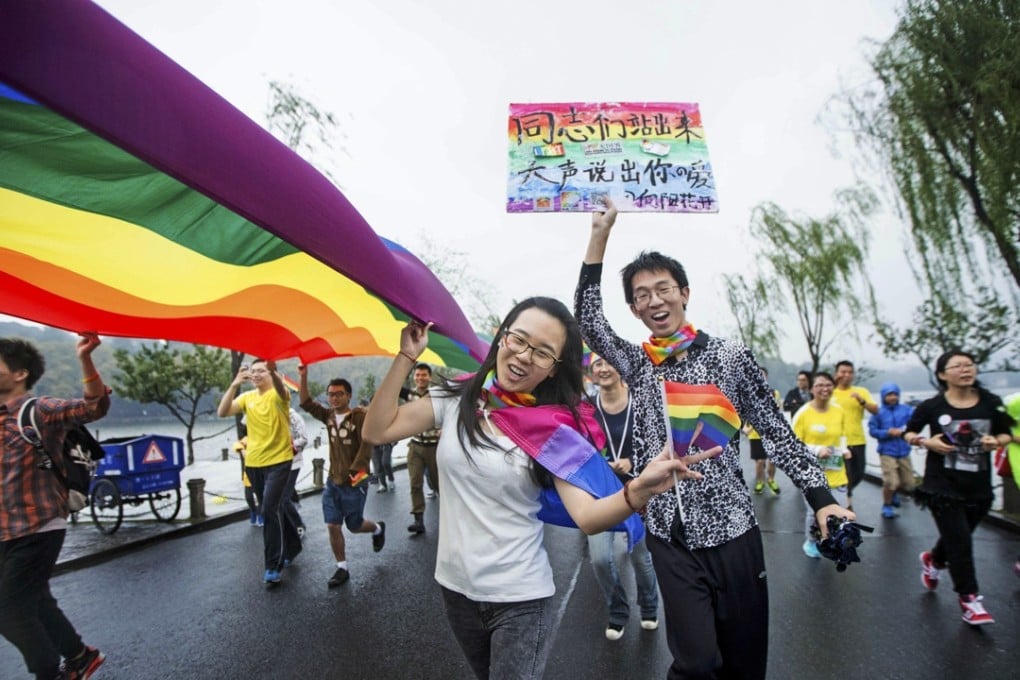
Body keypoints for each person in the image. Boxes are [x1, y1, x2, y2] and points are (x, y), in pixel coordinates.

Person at [575, 198, 851, 680]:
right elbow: (589, 320)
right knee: (696, 663)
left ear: (684, 293)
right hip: (668, 535)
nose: (654, 300)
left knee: (744, 663)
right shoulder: (638, 362)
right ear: (635, 309)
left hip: (733, 533)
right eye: (642, 295)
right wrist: (599, 235)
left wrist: (822, 499)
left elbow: (777, 433)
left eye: (663, 289)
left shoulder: (729, 356)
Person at [363, 299, 706, 680]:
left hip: (520, 598)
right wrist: (406, 356)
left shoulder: (551, 429)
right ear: (501, 337)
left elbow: (588, 518)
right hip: (454, 589)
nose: (524, 357)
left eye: (543, 353)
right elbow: (376, 431)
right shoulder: (456, 399)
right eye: (519, 340)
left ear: (553, 370)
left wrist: (638, 492)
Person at [0, 334, 109, 680]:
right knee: (36, 600)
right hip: (4, 530)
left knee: (9, 609)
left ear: (19, 374)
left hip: (39, 526)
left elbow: (94, 407)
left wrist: (85, 359)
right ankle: (79, 655)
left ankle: (50, 673)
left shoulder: (39, 410)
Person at [903, 350, 1012, 626]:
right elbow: (909, 433)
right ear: (942, 374)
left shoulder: (991, 403)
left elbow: (1006, 432)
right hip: (941, 485)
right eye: (958, 366)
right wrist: (928, 443)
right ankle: (970, 599)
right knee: (961, 542)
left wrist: (995, 441)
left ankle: (934, 559)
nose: (966, 369)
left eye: (970, 365)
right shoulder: (932, 406)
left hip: (978, 485)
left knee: (956, 537)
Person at [587, 354, 659, 641]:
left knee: (642, 559)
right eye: (596, 365)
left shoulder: (640, 403)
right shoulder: (586, 409)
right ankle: (617, 610)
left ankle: (650, 606)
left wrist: (633, 461)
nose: (603, 369)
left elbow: (659, 442)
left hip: (639, 491)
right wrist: (600, 465)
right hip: (600, 494)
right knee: (601, 560)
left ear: (620, 367)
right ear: (591, 372)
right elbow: (579, 449)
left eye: (607, 362)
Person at [217, 359, 302, 587]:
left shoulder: (277, 395)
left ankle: (272, 566)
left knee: (268, 509)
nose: (255, 375)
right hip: (254, 463)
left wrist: (274, 374)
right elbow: (222, 411)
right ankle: (293, 545)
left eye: (261, 371)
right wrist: (235, 384)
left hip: (280, 461)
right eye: (252, 371)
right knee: (274, 507)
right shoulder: (247, 398)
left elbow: (283, 393)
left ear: (271, 373)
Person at [297, 369, 385, 588]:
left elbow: (367, 444)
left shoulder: (359, 416)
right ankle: (342, 567)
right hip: (332, 480)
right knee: (333, 525)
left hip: (356, 480)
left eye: (339, 394)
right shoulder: (327, 416)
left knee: (354, 525)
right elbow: (306, 402)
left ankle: (377, 529)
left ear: (348, 396)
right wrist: (304, 375)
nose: (334, 398)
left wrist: (355, 473)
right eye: (330, 394)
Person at [790, 372, 851, 558]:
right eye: (819, 385)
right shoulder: (803, 414)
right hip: (812, 474)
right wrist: (817, 450)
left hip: (837, 471)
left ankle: (832, 540)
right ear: (811, 389)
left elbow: (841, 436)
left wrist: (845, 448)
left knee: (841, 512)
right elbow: (792, 445)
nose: (825, 388)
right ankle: (812, 540)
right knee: (816, 513)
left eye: (828, 385)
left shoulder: (839, 411)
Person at [831, 360, 877, 510]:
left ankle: (845, 497)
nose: (846, 375)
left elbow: (875, 410)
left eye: (850, 372)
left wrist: (861, 401)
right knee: (844, 474)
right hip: (837, 442)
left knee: (859, 474)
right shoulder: (830, 392)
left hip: (857, 440)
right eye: (843, 372)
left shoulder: (861, 391)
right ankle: (846, 503)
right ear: (836, 374)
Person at [868, 383, 915, 519]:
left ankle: (893, 494)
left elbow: (916, 422)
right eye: (889, 395)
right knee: (891, 482)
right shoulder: (878, 412)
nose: (892, 397)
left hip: (904, 450)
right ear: (883, 396)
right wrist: (887, 432)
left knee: (909, 484)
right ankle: (886, 505)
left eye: (895, 394)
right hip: (887, 450)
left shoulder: (906, 410)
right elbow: (873, 431)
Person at [403, 363, 440, 534]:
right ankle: (418, 521)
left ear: (430, 377)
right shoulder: (410, 394)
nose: (420, 378)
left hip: (434, 446)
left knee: (438, 483)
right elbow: (394, 387)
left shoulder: (438, 395)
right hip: (415, 445)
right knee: (415, 483)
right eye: (417, 375)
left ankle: (451, 516)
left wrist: (444, 428)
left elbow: (448, 413)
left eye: (423, 375)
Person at [746, 366, 782, 495]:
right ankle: (760, 481)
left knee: (772, 460)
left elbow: (778, 411)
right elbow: (745, 413)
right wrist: (746, 428)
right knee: (760, 461)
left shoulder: (774, 393)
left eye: (763, 375)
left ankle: (771, 480)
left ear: (766, 377)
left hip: (771, 432)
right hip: (755, 434)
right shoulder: (748, 392)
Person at [283, 407, 308, 538]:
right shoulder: (271, 414)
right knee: (280, 497)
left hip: (293, 463)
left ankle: (299, 525)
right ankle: (287, 523)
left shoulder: (294, 417)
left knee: (284, 498)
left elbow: (304, 439)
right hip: (275, 463)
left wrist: (289, 445)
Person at [233, 436, 263, 526]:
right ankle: (253, 512)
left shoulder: (261, 438)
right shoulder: (247, 438)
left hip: (260, 471)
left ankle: (260, 515)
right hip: (248, 472)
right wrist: (241, 450)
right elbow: (237, 444)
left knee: (260, 497)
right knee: (249, 497)